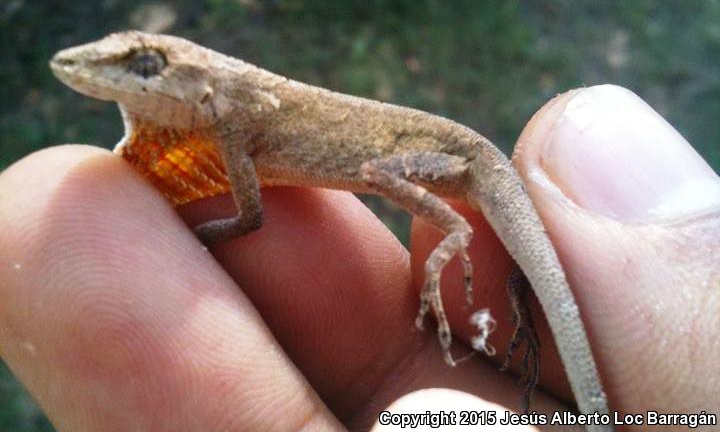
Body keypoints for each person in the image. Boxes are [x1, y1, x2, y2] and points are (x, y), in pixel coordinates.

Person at [0, 85, 717, 430]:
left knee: (381, 179)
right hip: (449, 158)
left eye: (147, 68)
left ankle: (457, 239)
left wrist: (451, 231)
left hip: (463, 164)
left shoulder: (238, 119)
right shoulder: (235, 126)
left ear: (200, 87)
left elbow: (249, 217)